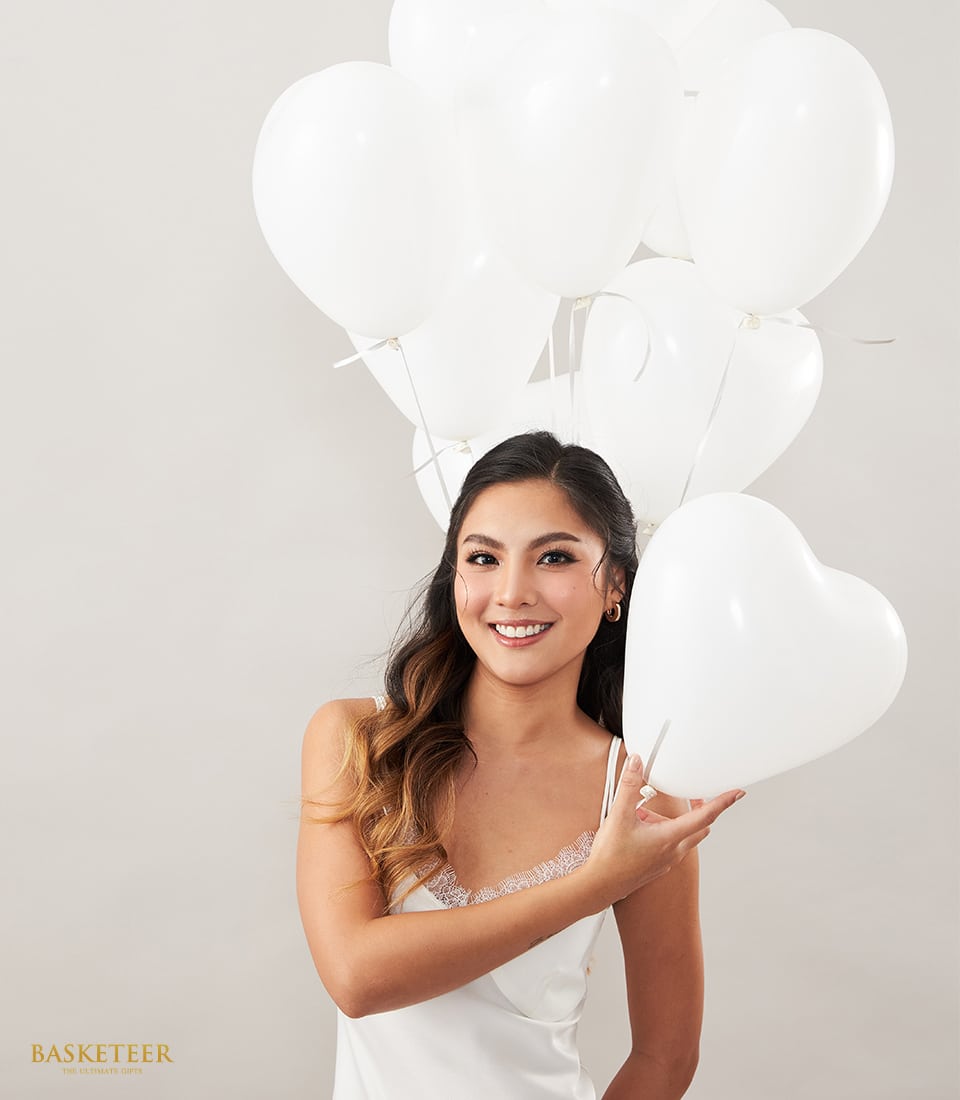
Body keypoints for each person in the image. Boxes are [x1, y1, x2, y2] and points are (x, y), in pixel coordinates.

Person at [297, 431, 745, 1099]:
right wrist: (591, 886)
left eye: (555, 557)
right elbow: (358, 979)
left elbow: (666, 1058)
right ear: (456, 576)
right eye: (484, 558)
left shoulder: (638, 796)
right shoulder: (357, 740)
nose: (511, 593)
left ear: (615, 582)